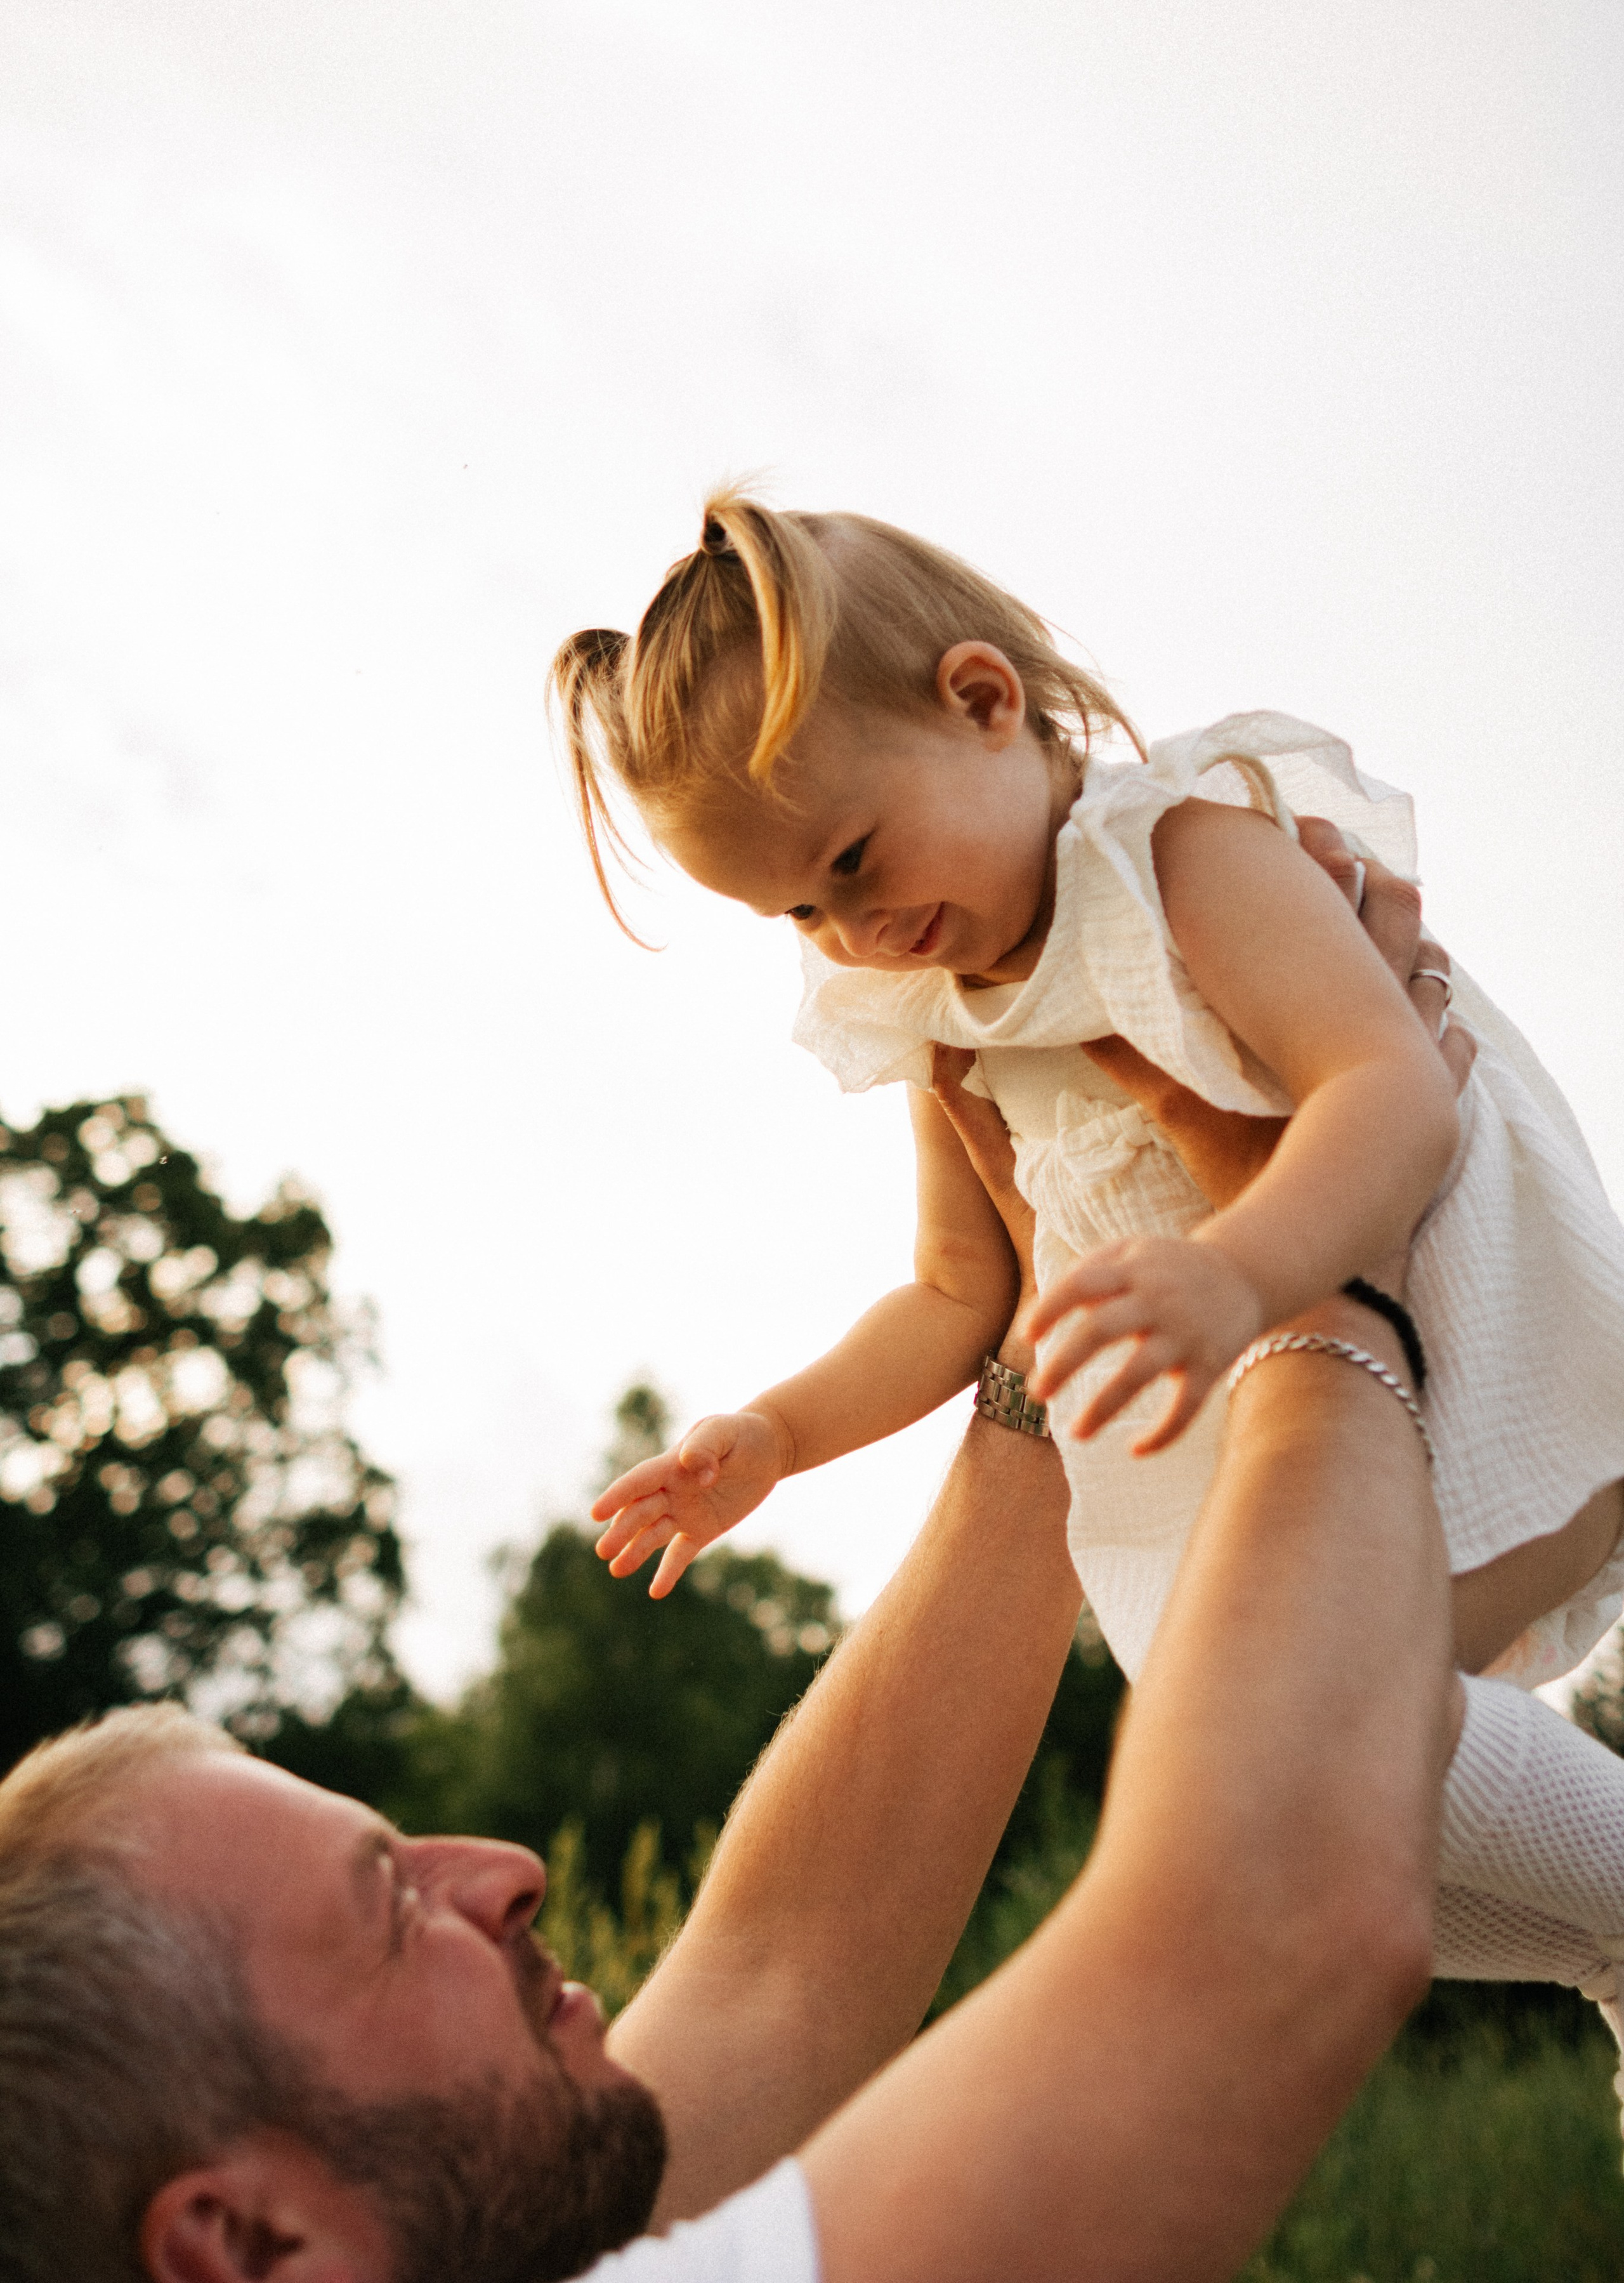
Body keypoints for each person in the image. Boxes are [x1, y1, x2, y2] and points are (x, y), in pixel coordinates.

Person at [1, 862, 1459, 2279]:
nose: (504, 1874)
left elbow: (785, 1980)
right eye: (387, 1912)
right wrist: (1328, 1269)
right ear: (246, 2242)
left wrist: (1045, 1357)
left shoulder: (512, 2217)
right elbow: (1283, 1918)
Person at [556, 492, 1624, 2029]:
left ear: (984, 702)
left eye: (851, 856)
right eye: (797, 908)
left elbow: (1387, 1091)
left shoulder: (1176, 860)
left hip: (1471, 1359)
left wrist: (1239, 1274)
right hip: (1256, 1456)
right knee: (1285, 1848)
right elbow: (951, 1295)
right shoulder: (939, 1021)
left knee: (1298, 1729)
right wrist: (780, 1436)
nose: (851, 931)